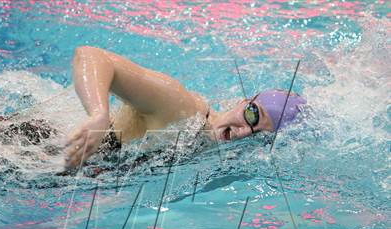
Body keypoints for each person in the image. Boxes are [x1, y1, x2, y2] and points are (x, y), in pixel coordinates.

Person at [63, 46, 306, 168]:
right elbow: (90, 55)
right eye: (253, 115)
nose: (244, 131)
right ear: (242, 102)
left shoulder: (205, 152)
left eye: (260, 135)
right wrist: (98, 113)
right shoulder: (181, 108)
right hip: (40, 144)